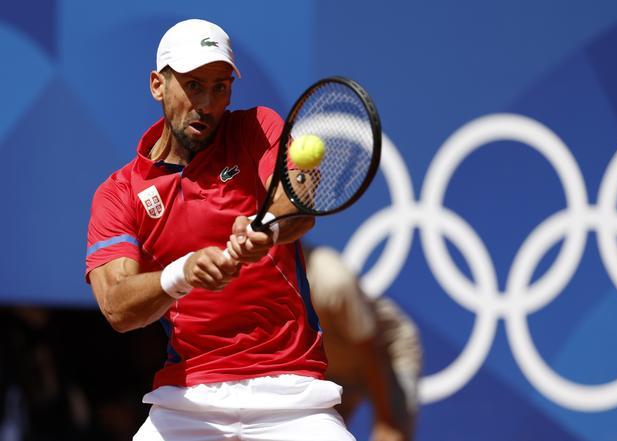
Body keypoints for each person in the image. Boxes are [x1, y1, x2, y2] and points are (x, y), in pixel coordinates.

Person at [85, 19, 354, 441]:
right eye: (193, 86)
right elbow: (118, 308)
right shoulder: (119, 194)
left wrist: (268, 228)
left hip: (292, 397)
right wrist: (183, 273)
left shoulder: (255, 129)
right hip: (186, 402)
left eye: (220, 87)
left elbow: (294, 206)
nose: (208, 104)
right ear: (158, 85)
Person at [304, 246, 422, 441]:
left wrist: (385, 419)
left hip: (386, 355)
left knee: (391, 435)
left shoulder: (333, 280)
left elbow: (370, 352)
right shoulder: (266, 276)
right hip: (333, 367)